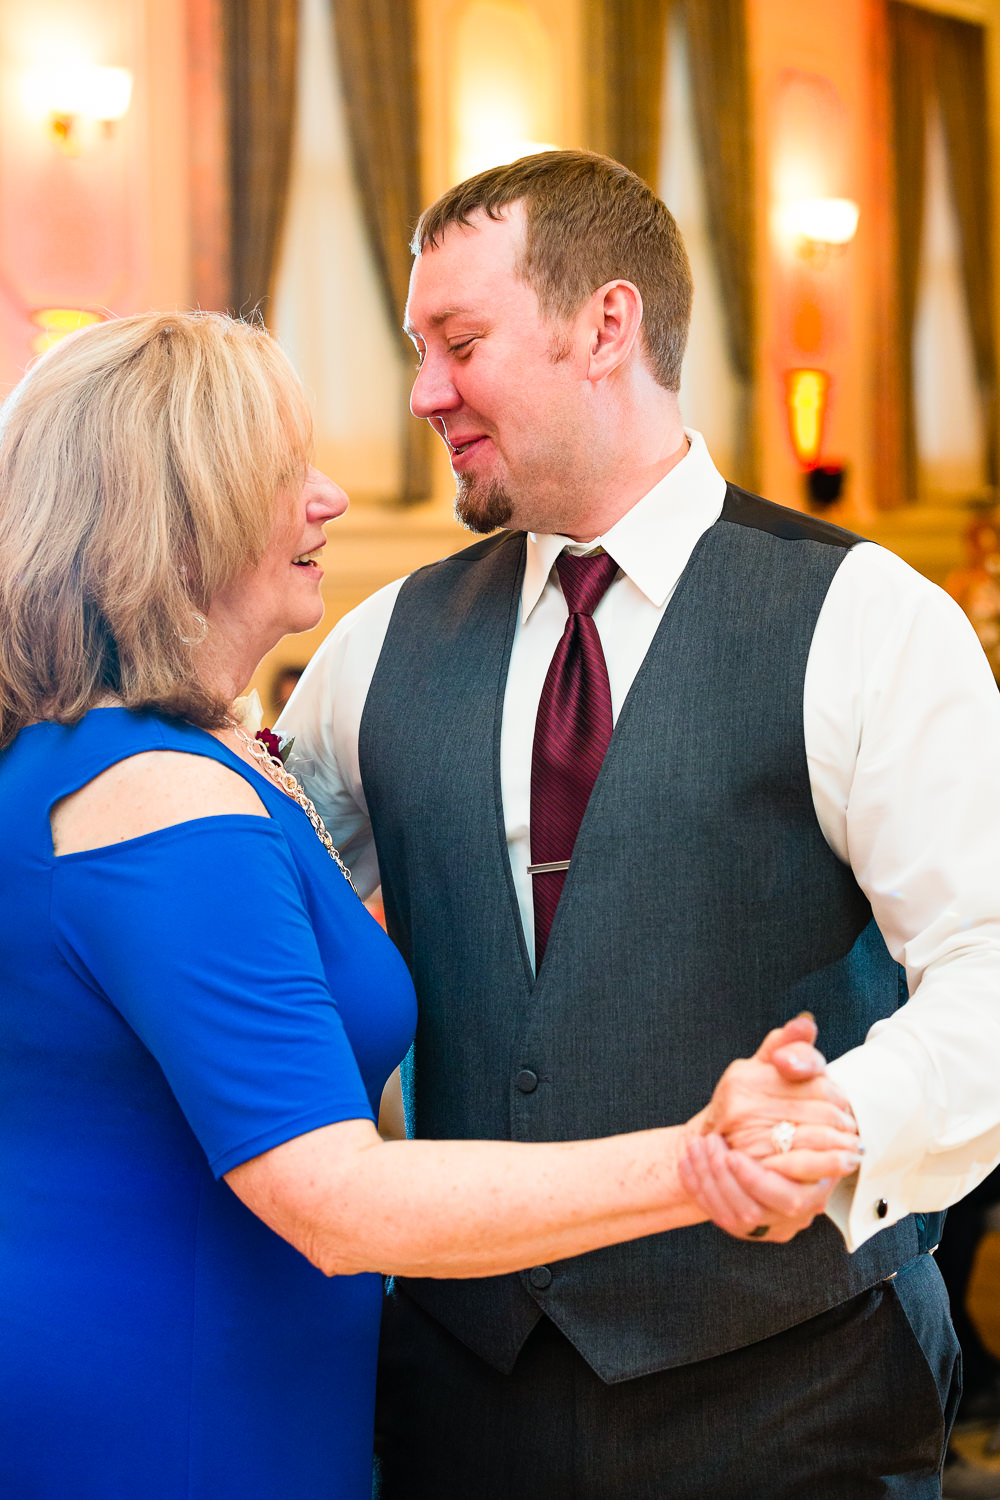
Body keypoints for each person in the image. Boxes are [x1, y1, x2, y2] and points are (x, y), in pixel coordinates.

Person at [0, 310, 857, 1500]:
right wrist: (698, 1158)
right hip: (175, 1401)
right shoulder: (162, 808)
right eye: (281, 472)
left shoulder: (107, 754)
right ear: (179, 521)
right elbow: (335, 1201)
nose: (328, 499)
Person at [280, 150, 1000, 1498]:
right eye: (418, 350)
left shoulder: (866, 618)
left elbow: (990, 962)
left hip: (799, 1393)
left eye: (460, 342)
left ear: (607, 325)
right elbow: (256, 909)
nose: (426, 391)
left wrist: (841, 1117)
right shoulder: (377, 648)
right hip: (456, 1396)